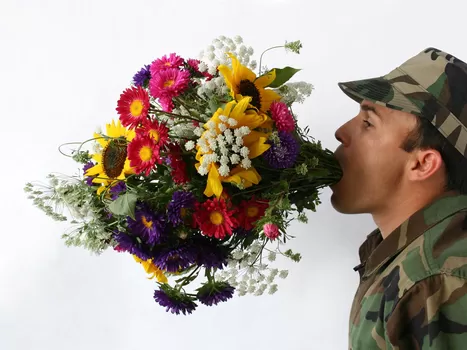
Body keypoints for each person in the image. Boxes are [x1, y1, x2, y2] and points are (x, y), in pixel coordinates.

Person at [330, 47, 467, 349]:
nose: (341, 132)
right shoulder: (413, 258)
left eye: (368, 123)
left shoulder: (437, 280)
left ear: (422, 164)